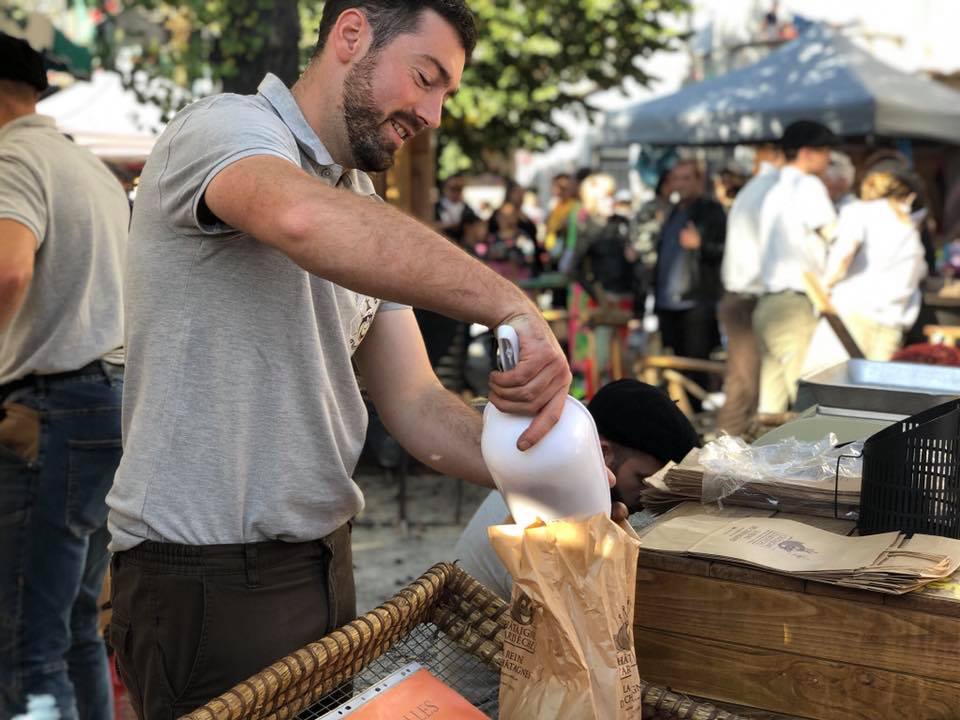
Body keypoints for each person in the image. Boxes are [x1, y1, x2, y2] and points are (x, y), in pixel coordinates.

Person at [105, 3, 574, 717]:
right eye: (426, 78)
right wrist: (510, 303)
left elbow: (417, 407)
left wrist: (558, 472)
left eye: (446, 92)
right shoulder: (225, 128)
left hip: (322, 561)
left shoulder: (359, 199)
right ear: (351, 35)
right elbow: (298, 217)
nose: (434, 113)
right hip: (208, 573)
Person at [0, 33, 129, 720]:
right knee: (78, 627)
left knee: (26, 641)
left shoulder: (11, 156)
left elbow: (8, 269)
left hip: (53, 410)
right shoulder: (85, 167)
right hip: (106, 406)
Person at [454, 379, 700, 601]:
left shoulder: (549, 478)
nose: (650, 497)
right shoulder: (543, 506)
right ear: (603, 452)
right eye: (644, 480)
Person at [753, 120, 839, 413]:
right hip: (794, 303)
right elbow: (833, 234)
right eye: (825, 150)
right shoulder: (808, 185)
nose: (829, 158)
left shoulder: (774, 190)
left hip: (769, 303)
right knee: (806, 401)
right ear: (807, 152)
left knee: (771, 406)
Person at [821, 169, 927, 361]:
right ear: (909, 197)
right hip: (891, 323)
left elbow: (843, 254)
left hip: (852, 313)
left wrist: (825, 287)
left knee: (830, 384)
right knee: (875, 389)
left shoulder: (859, 211)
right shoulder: (909, 229)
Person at [715, 146, 783, 436]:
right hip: (749, 295)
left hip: (743, 293)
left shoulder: (758, 188)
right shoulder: (772, 188)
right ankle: (724, 449)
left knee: (747, 381)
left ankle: (728, 446)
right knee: (745, 383)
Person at [653, 159, 726, 394]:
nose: (680, 184)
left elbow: (726, 249)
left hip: (695, 301)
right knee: (673, 369)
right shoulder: (674, 211)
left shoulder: (710, 210)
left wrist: (701, 244)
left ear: (698, 180)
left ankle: (697, 421)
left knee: (696, 368)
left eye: (686, 178)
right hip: (668, 303)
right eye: (676, 178)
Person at [435, 172, 479, 246]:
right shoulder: (436, 207)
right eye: (453, 188)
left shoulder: (468, 209)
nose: (456, 192)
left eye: (459, 189)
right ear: (445, 188)